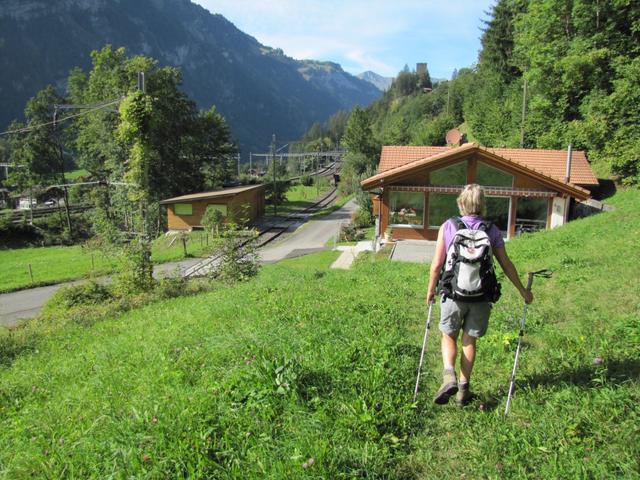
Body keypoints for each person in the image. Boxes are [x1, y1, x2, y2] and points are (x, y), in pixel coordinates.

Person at [426, 184, 533, 406]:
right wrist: (523, 290)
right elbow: (505, 264)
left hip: (453, 294)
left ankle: (448, 376)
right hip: (481, 296)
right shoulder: (491, 230)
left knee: (448, 335)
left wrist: (430, 290)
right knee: (469, 340)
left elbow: (437, 265)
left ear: (461, 203)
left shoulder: (448, 226)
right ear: (482, 204)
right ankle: (463, 389)